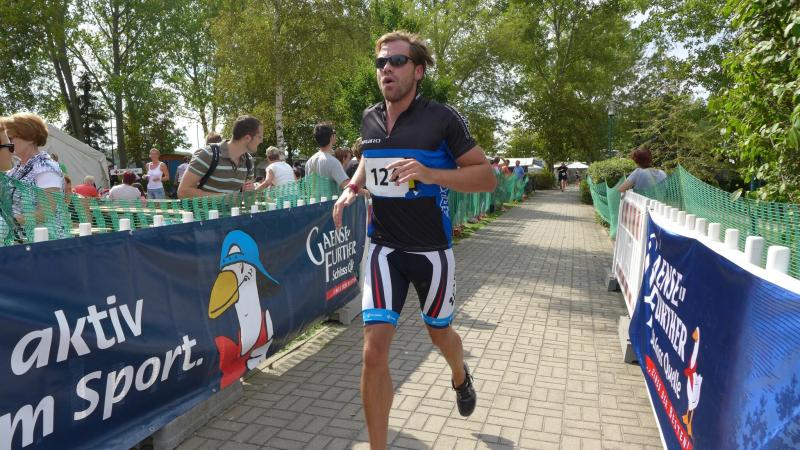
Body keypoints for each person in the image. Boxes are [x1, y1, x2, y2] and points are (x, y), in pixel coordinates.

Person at [332, 31, 496, 449]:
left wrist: (430, 173)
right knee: (373, 353)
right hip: (383, 248)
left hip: (431, 252)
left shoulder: (441, 118)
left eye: (397, 61)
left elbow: (486, 177)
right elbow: (370, 157)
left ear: (418, 71)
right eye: (381, 63)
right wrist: (352, 186)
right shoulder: (370, 118)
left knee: (439, 334)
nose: (386, 68)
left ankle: (460, 375)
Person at [1, 113, 66, 239]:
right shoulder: (15, 170)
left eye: (10, 138)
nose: (8, 143)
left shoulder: (45, 167)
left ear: (30, 138)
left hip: (44, 242)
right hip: (20, 241)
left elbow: (47, 211)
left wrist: (10, 221)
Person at [178, 115, 261, 198]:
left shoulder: (248, 160)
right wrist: (223, 198)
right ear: (247, 138)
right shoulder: (207, 154)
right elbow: (183, 192)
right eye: (259, 137)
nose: (261, 141)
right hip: (204, 207)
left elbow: (248, 198)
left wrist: (249, 193)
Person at [304, 122, 349, 190]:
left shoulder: (309, 162)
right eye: (334, 133)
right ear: (331, 137)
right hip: (331, 197)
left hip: (314, 197)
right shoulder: (333, 162)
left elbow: (307, 186)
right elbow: (346, 185)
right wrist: (364, 191)